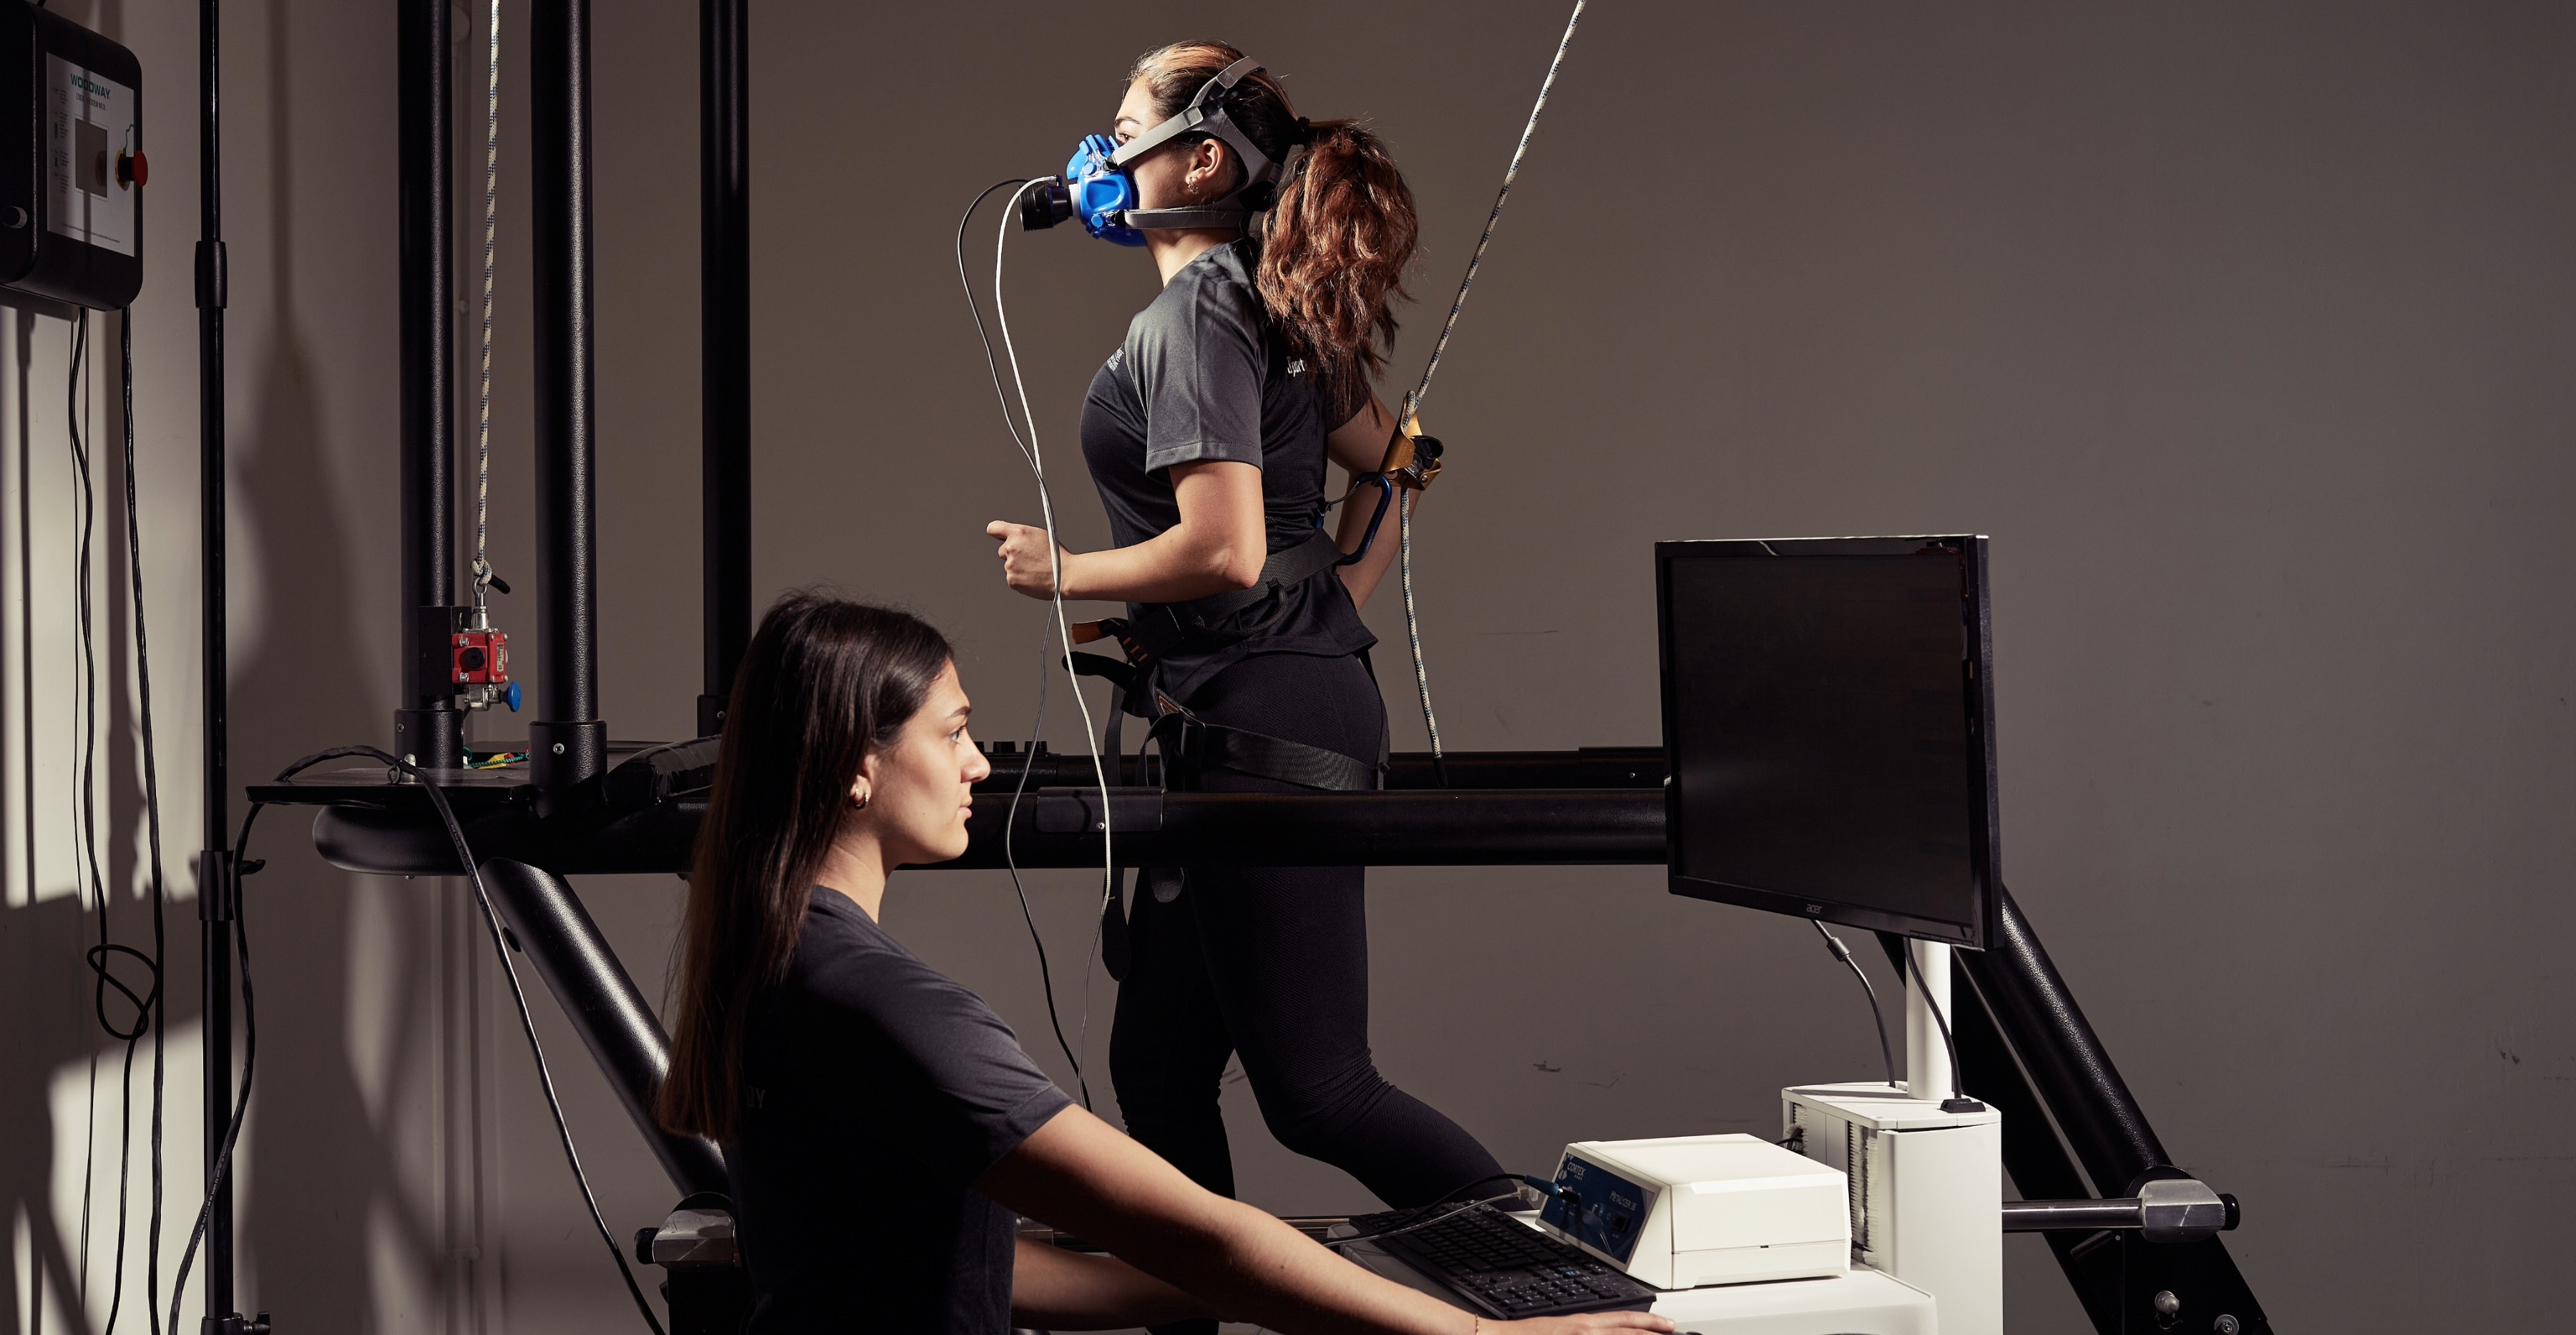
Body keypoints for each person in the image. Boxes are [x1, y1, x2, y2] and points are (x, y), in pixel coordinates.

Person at [656, 593, 1672, 1335]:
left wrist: (1282, 1282)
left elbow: (956, 1270)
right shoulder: (889, 1007)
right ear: (855, 765)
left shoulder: (780, 965)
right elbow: (1199, 1235)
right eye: (955, 731)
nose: (980, 761)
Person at [983, 41, 1503, 1241]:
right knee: (1158, 1067)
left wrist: (1065, 572)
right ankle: (1197, 1305)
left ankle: (1566, 1281)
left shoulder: (1193, 316)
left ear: (1200, 159)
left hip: (1264, 725)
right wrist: (1340, 601)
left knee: (1319, 1090)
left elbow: (1224, 549)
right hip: (1263, 706)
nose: (1101, 154)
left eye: (1123, 130)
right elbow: (1401, 459)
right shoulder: (1267, 303)